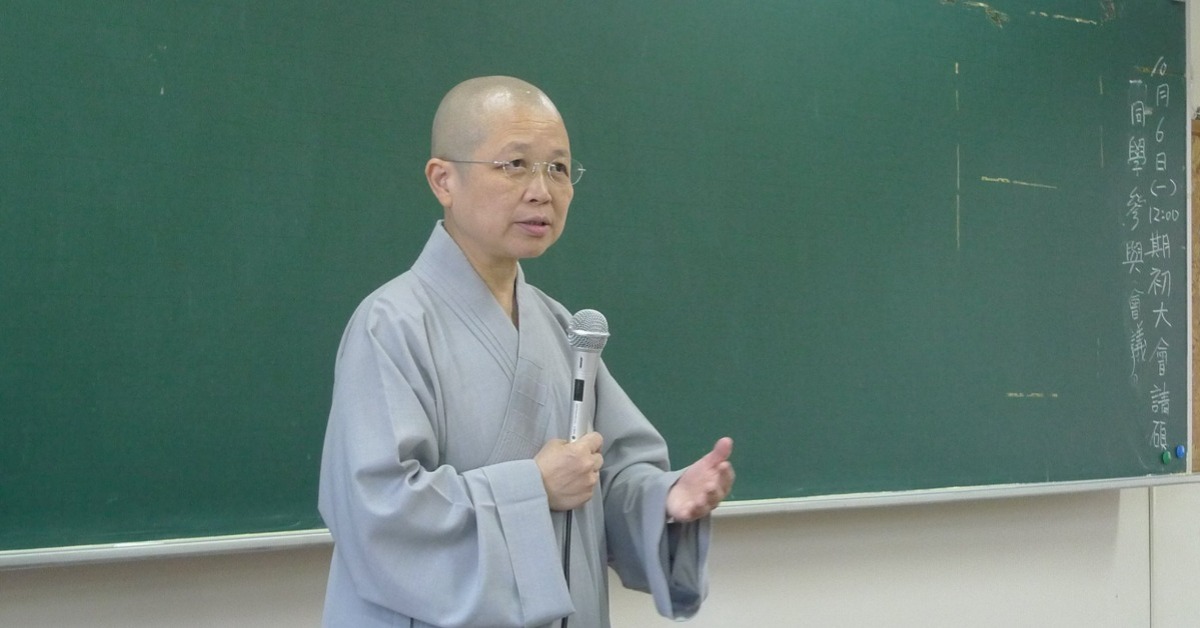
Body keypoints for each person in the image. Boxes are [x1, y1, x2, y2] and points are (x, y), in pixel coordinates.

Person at [317, 75, 735, 628]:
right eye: (514, 164)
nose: (542, 190)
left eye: (558, 168)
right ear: (443, 180)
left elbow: (606, 479)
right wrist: (532, 488)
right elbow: (380, 514)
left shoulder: (561, 326)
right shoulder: (392, 325)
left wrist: (666, 499)